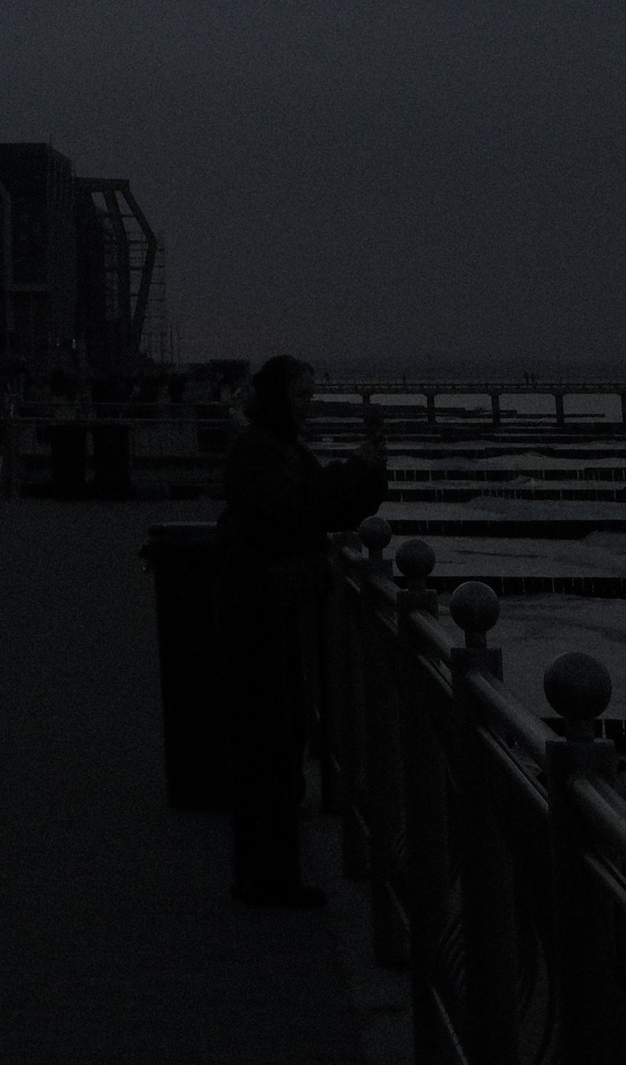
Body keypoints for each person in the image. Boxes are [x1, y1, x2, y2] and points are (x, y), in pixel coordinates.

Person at [213, 353, 386, 909]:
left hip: (270, 609)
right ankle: (266, 879)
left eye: (312, 397)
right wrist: (357, 470)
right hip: (257, 610)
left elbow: (328, 506)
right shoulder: (257, 453)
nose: (308, 408)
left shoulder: (275, 449)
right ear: (276, 399)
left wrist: (368, 472)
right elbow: (301, 506)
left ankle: (271, 875)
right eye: (301, 397)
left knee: (278, 739)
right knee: (268, 742)